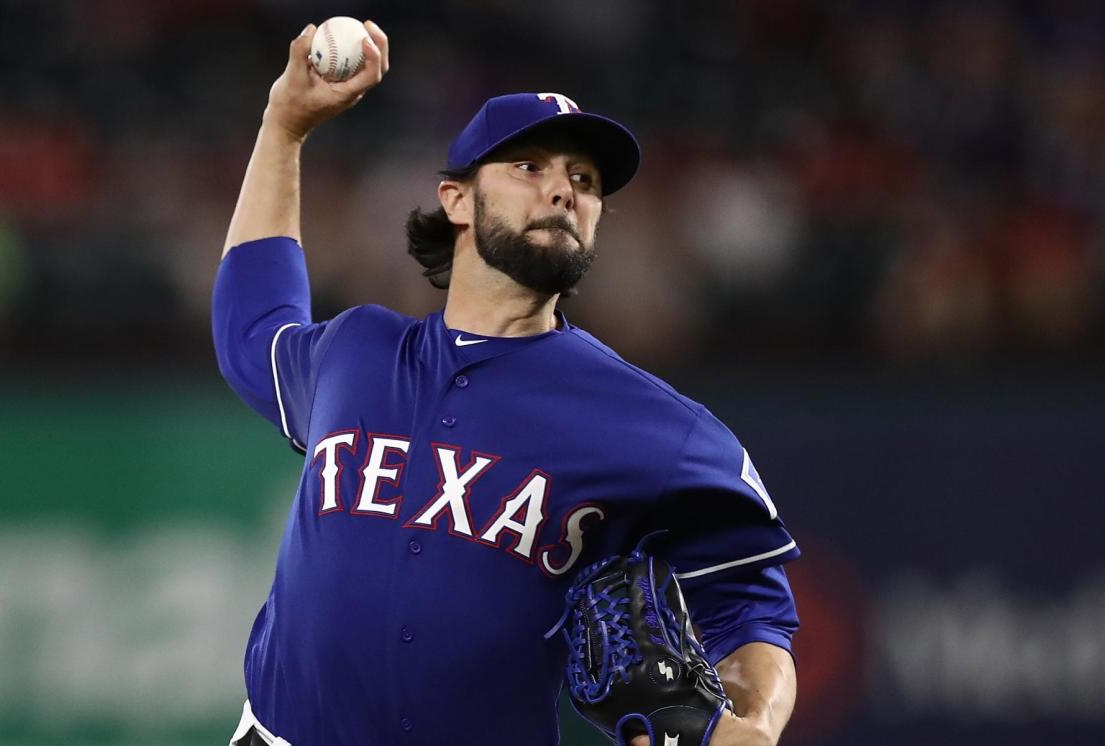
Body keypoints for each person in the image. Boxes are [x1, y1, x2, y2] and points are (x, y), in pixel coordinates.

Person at [213, 21, 800, 746]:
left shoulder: (654, 426)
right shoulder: (358, 354)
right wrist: (284, 127)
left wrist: (755, 724)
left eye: (583, 181)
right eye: (529, 167)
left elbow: (749, 605)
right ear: (457, 200)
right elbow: (252, 324)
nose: (562, 191)